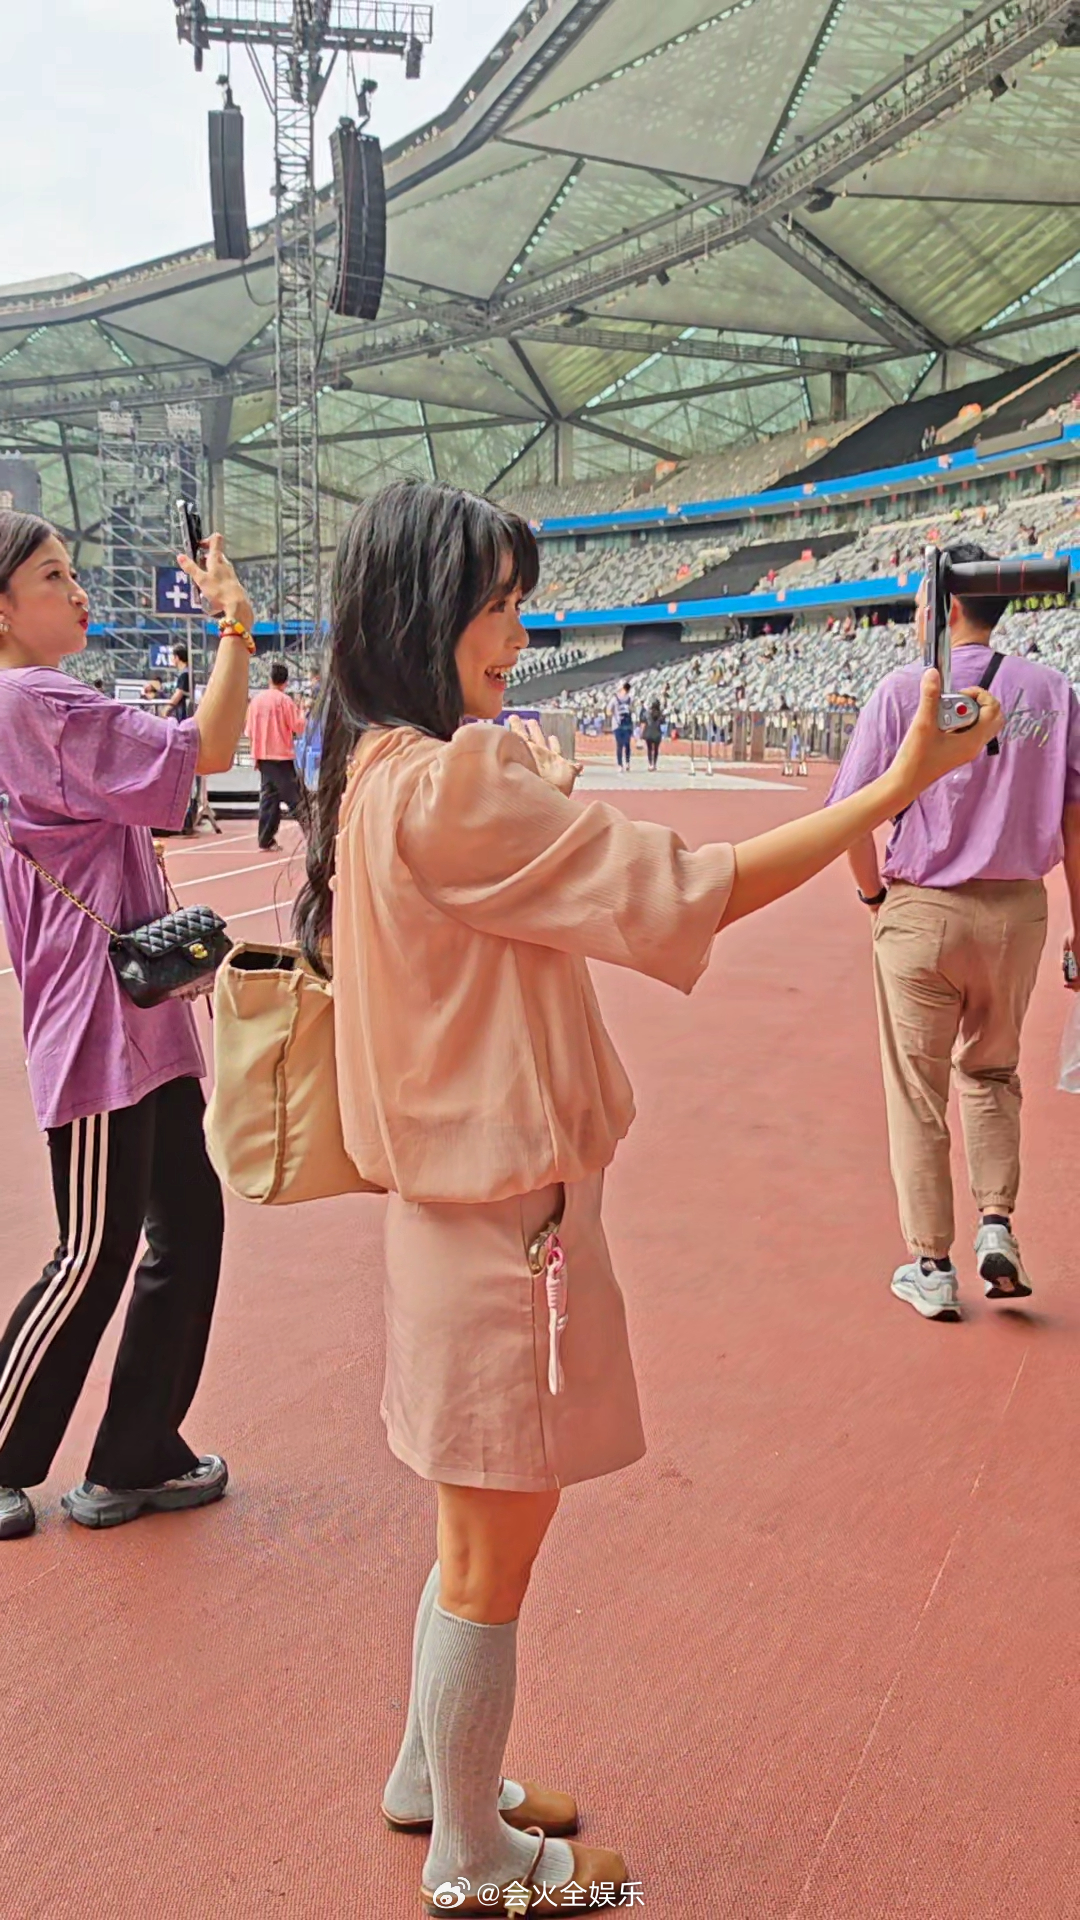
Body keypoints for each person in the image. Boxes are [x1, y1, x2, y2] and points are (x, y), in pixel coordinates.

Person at [294, 479, 1000, 1915]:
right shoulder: (453, 781)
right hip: (507, 1224)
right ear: (426, 615)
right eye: (496, 604)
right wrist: (890, 790)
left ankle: (436, 1778)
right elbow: (695, 883)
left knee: (470, 1525)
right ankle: (473, 1863)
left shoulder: (381, 775)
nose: (516, 632)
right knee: (499, 1540)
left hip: (455, 1216)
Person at [0, 512, 254, 1541]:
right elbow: (205, 750)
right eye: (52, 576)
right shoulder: (31, 697)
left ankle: (138, 1450)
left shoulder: (29, 700)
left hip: (128, 1009)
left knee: (183, 1230)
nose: (77, 589)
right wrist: (235, 624)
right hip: (100, 1014)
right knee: (96, 1249)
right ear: (3, 608)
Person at [829, 540, 1080, 1321]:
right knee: (994, 1072)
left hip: (922, 912)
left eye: (915, 606)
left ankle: (932, 1265)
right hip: (1015, 912)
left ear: (941, 607)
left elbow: (852, 814)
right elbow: (1075, 818)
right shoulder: (1053, 691)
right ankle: (996, 1223)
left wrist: (873, 896)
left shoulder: (906, 689)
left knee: (918, 1091)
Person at [247, 659, 305, 852]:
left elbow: (249, 731)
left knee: (269, 797)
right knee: (295, 797)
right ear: (285, 681)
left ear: (269, 679)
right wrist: (303, 710)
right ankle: (314, 834)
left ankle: (265, 838)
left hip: (263, 755)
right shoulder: (285, 701)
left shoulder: (256, 701)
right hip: (280, 755)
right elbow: (298, 727)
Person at [609, 680, 633, 770]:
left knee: (627, 744)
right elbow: (608, 710)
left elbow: (632, 709)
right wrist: (614, 715)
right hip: (617, 725)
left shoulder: (630, 699)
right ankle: (620, 764)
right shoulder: (614, 699)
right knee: (619, 744)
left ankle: (627, 762)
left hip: (627, 724)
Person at [643, 698, 664, 770]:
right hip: (657, 733)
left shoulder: (647, 713)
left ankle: (650, 764)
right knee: (656, 749)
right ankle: (654, 764)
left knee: (649, 749)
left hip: (648, 733)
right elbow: (662, 722)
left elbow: (644, 721)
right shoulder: (660, 714)